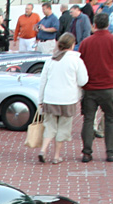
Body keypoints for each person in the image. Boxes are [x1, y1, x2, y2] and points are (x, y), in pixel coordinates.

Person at [78, 11, 113, 162]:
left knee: (88, 119)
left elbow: (81, 64)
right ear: (108, 24)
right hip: (109, 86)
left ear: (94, 25)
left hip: (90, 87)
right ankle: (111, 151)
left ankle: (87, 152)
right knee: (111, 119)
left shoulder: (86, 42)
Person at [37, 32, 88, 163]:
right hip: (68, 99)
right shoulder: (76, 60)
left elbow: (43, 81)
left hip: (50, 98)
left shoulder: (51, 60)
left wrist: (40, 100)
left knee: (50, 126)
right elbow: (83, 81)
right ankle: (56, 156)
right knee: (63, 128)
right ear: (72, 44)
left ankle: (43, 149)